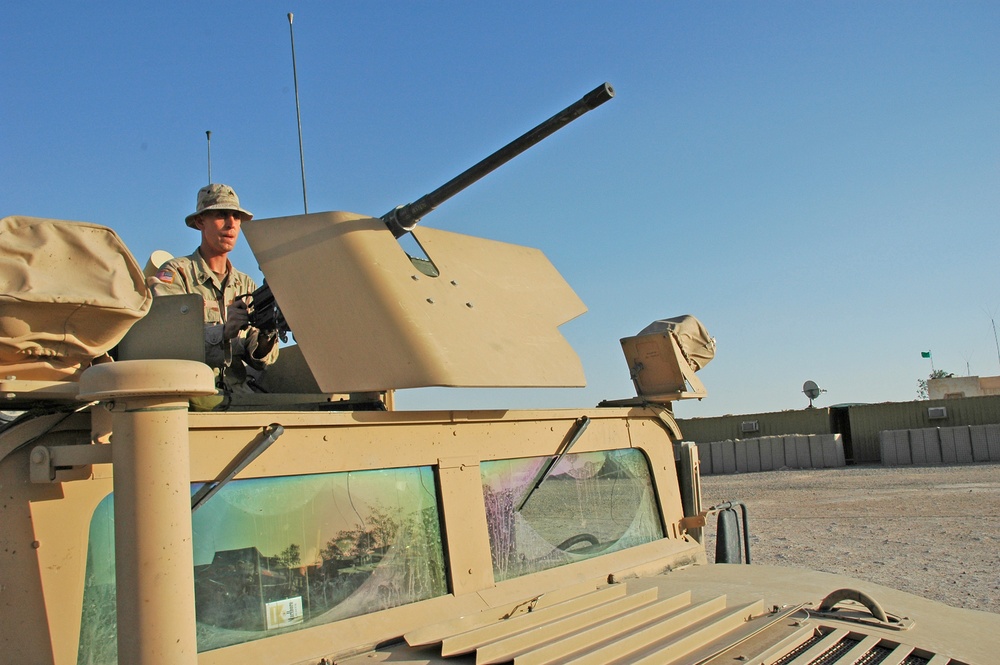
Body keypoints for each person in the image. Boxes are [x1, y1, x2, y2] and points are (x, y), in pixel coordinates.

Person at [150, 183, 278, 393]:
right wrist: (224, 332)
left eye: (236, 217)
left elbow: (260, 362)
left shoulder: (245, 285)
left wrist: (267, 333)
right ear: (200, 221)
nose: (231, 224)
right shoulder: (177, 274)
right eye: (222, 215)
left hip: (238, 395)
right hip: (189, 394)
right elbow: (168, 342)